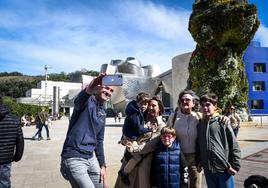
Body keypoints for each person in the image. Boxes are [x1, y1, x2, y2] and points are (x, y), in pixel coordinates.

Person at [60, 74, 114, 188]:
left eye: (111, 90)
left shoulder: (103, 112)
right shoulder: (87, 101)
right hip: (74, 157)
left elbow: (99, 140)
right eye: (106, 88)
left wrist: (102, 165)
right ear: (98, 88)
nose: (109, 92)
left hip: (91, 158)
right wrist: (90, 88)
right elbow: (79, 101)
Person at [115, 97, 166, 188]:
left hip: (144, 160)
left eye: (153, 106)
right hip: (129, 157)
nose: (150, 108)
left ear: (159, 109)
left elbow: (151, 145)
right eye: (149, 105)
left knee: (140, 183)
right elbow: (127, 131)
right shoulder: (139, 118)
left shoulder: (161, 125)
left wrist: (134, 149)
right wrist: (124, 140)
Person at [196, 93, 241, 188]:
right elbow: (198, 145)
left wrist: (235, 166)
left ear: (215, 106)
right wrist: (198, 162)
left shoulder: (222, 123)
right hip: (208, 171)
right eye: (203, 105)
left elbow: (234, 144)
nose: (205, 108)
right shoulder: (200, 125)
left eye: (208, 105)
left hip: (224, 170)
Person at [167, 90, 202, 188]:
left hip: (195, 158)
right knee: (180, 184)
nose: (184, 102)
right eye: (182, 100)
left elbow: (213, 118)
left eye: (187, 100)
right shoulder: (173, 117)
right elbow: (166, 133)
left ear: (193, 102)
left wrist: (222, 117)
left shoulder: (199, 117)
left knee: (196, 185)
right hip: (178, 157)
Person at [0, 96, 24, 188]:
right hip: (6, 159)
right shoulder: (14, 120)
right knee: (4, 183)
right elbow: (20, 141)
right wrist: (17, 156)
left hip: (6, 159)